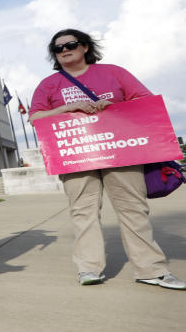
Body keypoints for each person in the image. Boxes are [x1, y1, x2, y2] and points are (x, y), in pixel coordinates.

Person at [29, 29, 185, 289]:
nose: (64, 50)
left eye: (71, 44)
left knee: (133, 209)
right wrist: (68, 108)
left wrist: (110, 106)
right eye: (57, 48)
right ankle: (88, 269)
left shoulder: (114, 72)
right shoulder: (48, 84)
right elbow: (35, 118)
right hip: (76, 155)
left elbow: (145, 101)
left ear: (86, 47)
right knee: (83, 212)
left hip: (121, 151)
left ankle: (152, 270)